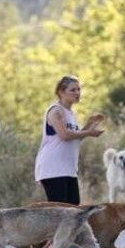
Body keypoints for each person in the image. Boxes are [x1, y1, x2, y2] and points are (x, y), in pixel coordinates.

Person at [34, 75, 105, 205]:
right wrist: (89, 132)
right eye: (73, 90)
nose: (77, 93)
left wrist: (89, 125)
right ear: (61, 92)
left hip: (68, 169)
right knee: (61, 213)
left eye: (79, 89)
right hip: (53, 169)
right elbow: (64, 135)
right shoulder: (56, 110)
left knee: (73, 209)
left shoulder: (70, 113)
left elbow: (74, 138)